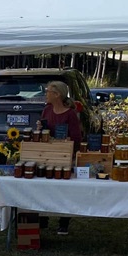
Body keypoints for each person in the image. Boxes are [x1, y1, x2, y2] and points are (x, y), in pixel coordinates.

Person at [40, 80, 83, 236]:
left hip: (65, 155)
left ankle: (63, 222)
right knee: (44, 187)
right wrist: (41, 129)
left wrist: (65, 141)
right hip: (47, 155)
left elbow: (77, 137)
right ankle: (42, 218)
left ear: (57, 94)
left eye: (48, 91)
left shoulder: (70, 114)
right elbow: (45, 130)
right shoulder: (46, 110)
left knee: (63, 189)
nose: (46, 94)